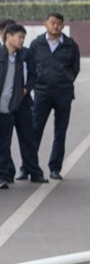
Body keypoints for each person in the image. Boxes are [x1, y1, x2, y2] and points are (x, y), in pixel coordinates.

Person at [28, 11, 82, 180]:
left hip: (63, 93)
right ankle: (28, 167)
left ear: (63, 26)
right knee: (34, 130)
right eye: (52, 22)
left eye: (59, 23)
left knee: (60, 132)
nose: (55, 26)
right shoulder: (36, 44)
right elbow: (30, 66)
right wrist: (37, 83)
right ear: (45, 24)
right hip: (42, 92)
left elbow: (75, 68)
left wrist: (66, 81)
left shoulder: (70, 45)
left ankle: (55, 168)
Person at [0, 23, 41, 189]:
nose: (22, 40)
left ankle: (4, 176)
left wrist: (22, 93)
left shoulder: (20, 56)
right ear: (8, 36)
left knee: (4, 144)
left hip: (11, 107)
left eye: (23, 38)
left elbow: (30, 76)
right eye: (19, 37)